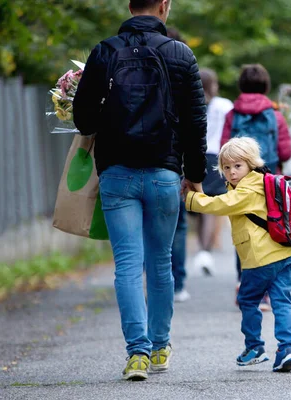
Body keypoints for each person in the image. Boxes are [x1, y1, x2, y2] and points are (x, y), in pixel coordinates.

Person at [73, 0, 207, 381]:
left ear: (129, 5)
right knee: (160, 262)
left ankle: (137, 354)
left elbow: (83, 120)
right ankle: (160, 345)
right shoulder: (180, 53)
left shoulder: (104, 51)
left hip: (116, 175)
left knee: (128, 266)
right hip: (165, 174)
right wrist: (195, 174)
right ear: (164, 6)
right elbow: (196, 122)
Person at [184, 137, 291, 372]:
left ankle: (255, 347)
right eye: (226, 168)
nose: (231, 172)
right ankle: (287, 349)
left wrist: (191, 198)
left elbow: (220, 205)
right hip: (285, 254)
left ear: (251, 164)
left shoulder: (248, 189)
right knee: (281, 302)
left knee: (247, 300)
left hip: (260, 259)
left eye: (238, 166)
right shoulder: (262, 182)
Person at [220, 64, 291, 309]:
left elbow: (224, 147)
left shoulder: (232, 114)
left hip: (240, 184)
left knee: (242, 233)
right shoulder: (276, 114)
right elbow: (286, 151)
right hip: (269, 184)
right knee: (270, 231)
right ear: (266, 86)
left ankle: (244, 284)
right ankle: (269, 291)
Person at [192, 68, 234, 276]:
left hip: (196, 155)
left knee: (201, 204)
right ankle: (204, 251)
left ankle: (202, 248)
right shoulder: (225, 105)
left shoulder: (192, 103)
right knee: (210, 206)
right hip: (218, 156)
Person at [164, 26, 192, 303]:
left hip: (129, 162)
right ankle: (177, 282)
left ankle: (151, 280)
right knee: (178, 225)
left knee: (143, 228)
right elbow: (194, 124)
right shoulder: (183, 70)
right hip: (174, 163)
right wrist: (194, 173)